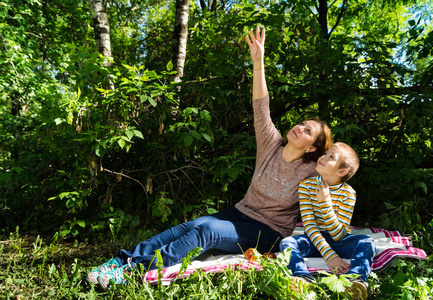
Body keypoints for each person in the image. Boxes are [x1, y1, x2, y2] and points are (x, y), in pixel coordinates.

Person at [86, 26, 333, 291]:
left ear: (312, 148)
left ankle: (131, 271)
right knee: (193, 225)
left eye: (309, 131)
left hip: (268, 232)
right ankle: (119, 261)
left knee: (208, 232)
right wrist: (258, 62)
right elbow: (260, 105)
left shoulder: (312, 170)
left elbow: (339, 166)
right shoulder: (271, 143)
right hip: (241, 212)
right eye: (302, 123)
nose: (300, 128)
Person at [279, 142, 376, 300]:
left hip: (339, 241)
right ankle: (302, 278)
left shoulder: (348, 193)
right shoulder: (306, 186)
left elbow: (338, 234)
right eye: (326, 153)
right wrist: (330, 256)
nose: (323, 157)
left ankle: (355, 279)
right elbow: (309, 226)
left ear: (341, 171)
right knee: (287, 243)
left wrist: (325, 204)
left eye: (331, 157)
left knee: (367, 242)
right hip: (313, 239)